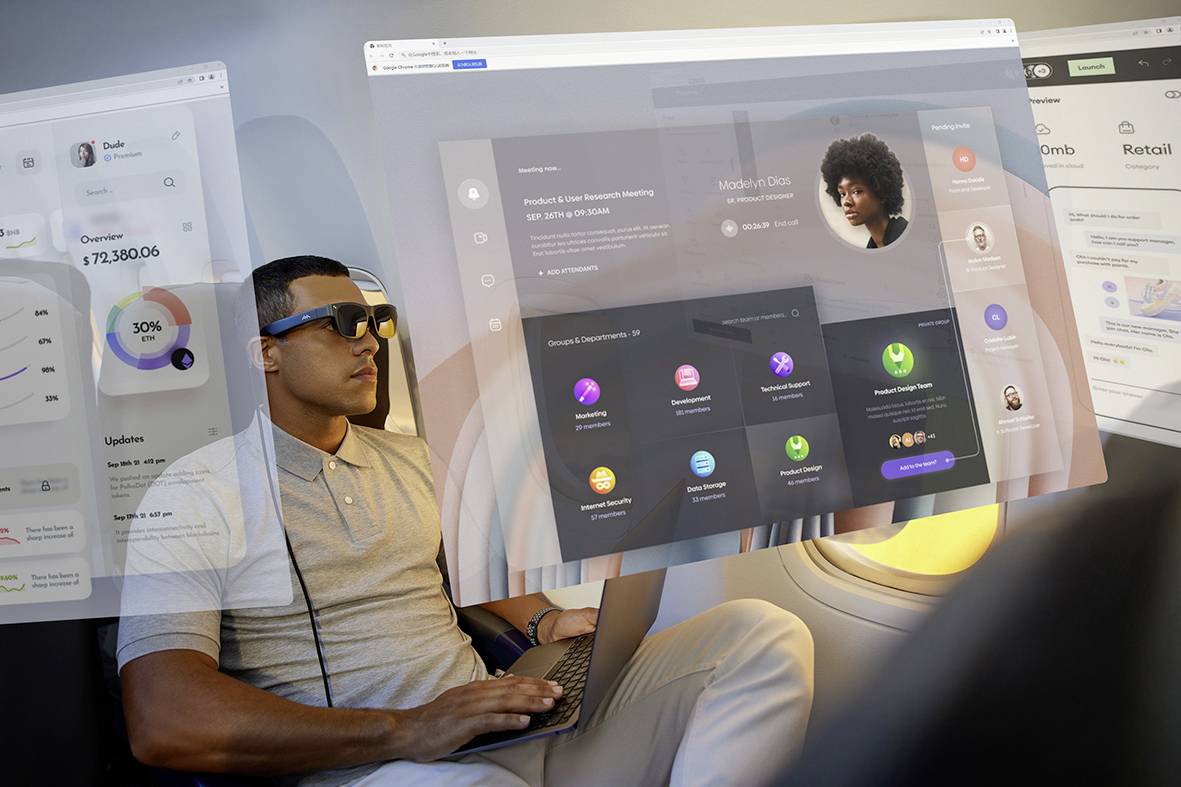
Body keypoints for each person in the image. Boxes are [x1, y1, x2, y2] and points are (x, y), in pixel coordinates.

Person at [117, 255, 814, 787]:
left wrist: (544, 622)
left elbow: (452, 563)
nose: (370, 343)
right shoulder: (192, 494)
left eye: (375, 323)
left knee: (758, 634)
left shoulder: (412, 458)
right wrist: (407, 729)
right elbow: (163, 719)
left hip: (497, 731)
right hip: (380, 766)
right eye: (341, 325)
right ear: (263, 351)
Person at [820, 133, 908, 249]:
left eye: (856, 192)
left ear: (881, 192)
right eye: (842, 194)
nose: (846, 201)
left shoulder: (907, 237)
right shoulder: (874, 247)